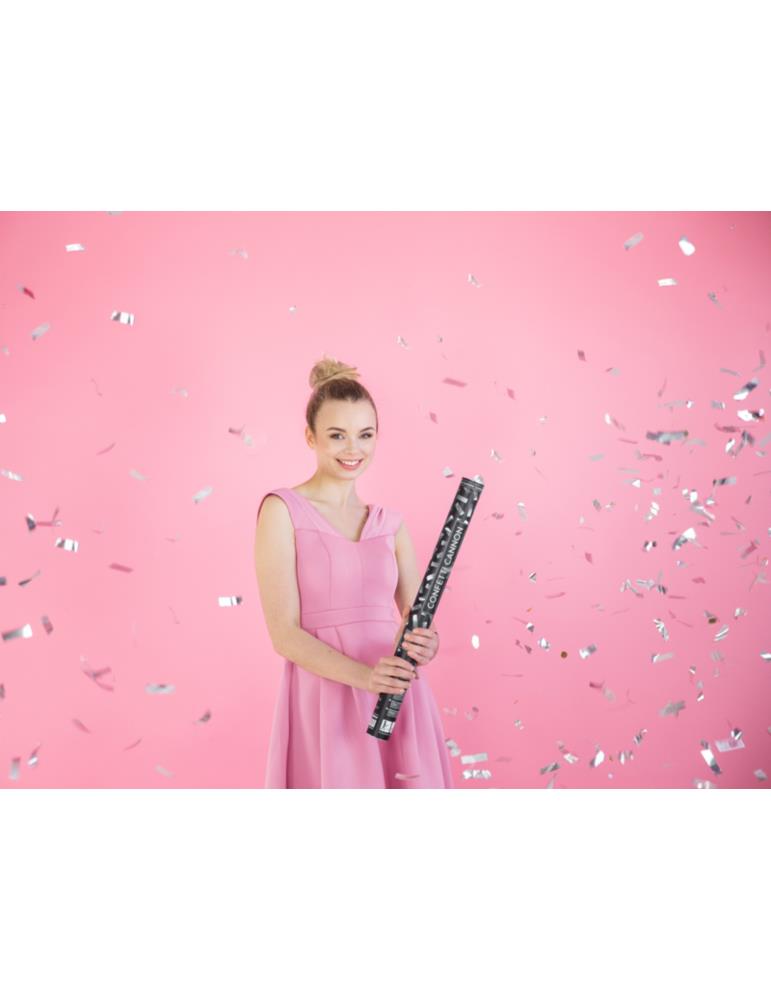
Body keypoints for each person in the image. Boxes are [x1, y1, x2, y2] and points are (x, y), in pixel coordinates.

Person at [254, 354, 454, 788]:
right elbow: (283, 634)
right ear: (310, 437)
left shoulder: (391, 525)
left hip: (397, 700)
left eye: (365, 435)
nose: (353, 449)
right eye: (337, 435)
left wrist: (426, 644)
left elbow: (418, 623)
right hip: (325, 700)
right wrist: (366, 678)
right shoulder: (282, 510)